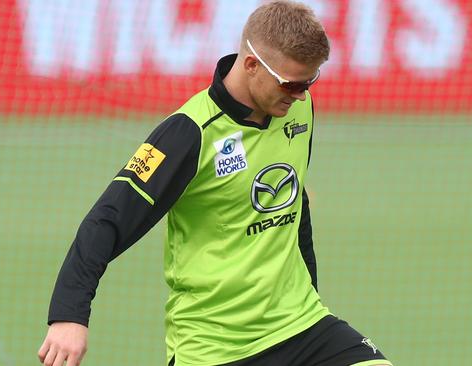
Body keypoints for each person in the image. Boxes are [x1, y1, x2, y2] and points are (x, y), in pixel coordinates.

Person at [37, 1, 392, 365]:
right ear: (252, 64)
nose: (301, 94)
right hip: (215, 348)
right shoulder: (188, 133)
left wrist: (309, 294)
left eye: (309, 82)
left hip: (300, 325)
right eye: (291, 83)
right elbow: (108, 219)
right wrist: (69, 314)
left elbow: (292, 202)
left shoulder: (299, 108)